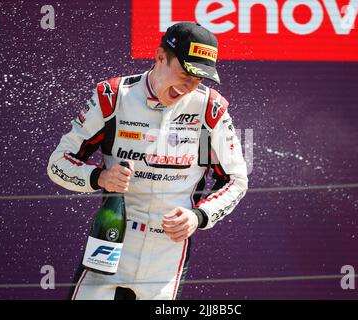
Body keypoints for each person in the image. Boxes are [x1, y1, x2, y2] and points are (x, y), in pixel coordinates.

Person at [47, 22, 248, 300]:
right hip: (111, 239)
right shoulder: (114, 96)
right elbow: (58, 162)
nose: (190, 86)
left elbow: (236, 181)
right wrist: (99, 178)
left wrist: (198, 216)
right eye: (186, 73)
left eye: (200, 78)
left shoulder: (210, 109)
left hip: (168, 252)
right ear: (160, 57)